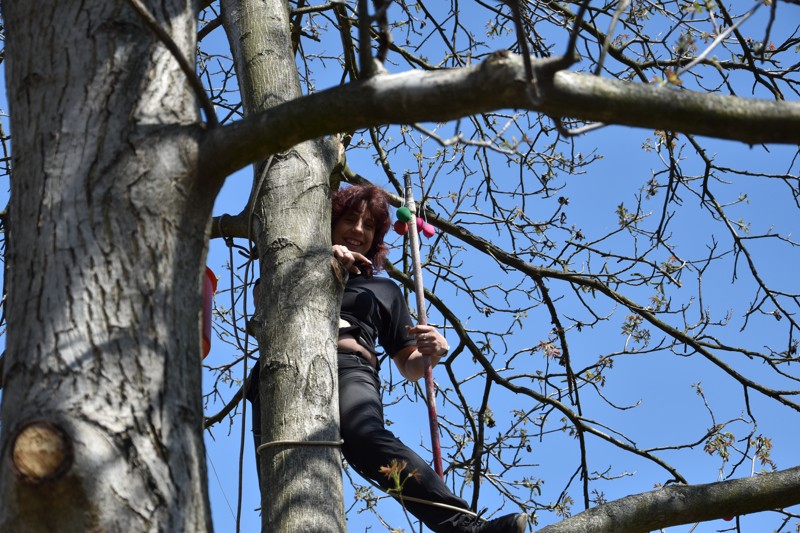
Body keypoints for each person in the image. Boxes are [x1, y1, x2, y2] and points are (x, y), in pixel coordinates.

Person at [247, 184, 527, 533]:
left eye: (369, 226)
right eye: (350, 220)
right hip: (279, 369)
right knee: (280, 467)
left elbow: (409, 363)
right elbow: (264, 296)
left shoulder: (383, 290)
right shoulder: (295, 264)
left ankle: (463, 526)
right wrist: (322, 263)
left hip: (350, 367)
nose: (358, 231)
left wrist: (432, 352)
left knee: (366, 439)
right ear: (328, 222)